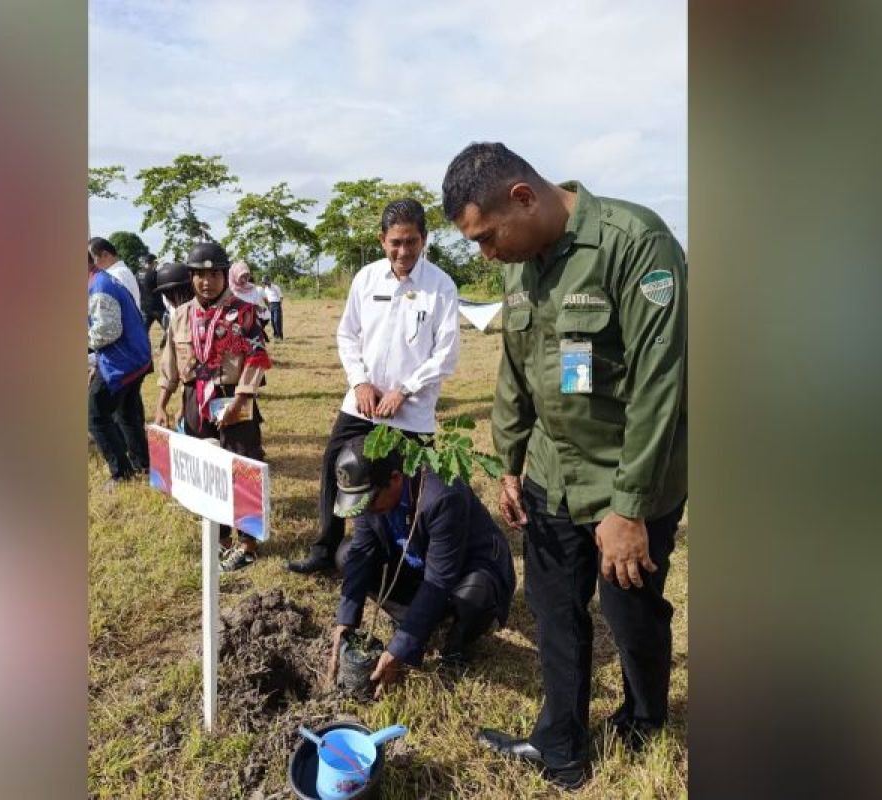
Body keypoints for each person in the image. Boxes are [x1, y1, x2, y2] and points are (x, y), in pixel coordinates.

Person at [441, 142, 687, 791]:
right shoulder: (518, 267)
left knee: (629, 612)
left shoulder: (635, 243)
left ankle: (643, 717)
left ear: (524, 197)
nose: (486, 255)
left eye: (488, 237)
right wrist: (510, 463)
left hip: (627, 476)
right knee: (554, 611)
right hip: (552, 469)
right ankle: (562, 747)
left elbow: (663, 384)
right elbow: (515, 371)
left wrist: (628, 508)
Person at [287, 199, 460, 574]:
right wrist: (360, 382)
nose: (403, 251)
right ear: (382, 240)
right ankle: (324, 547)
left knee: (413, 485)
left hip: (410, 411)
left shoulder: (441, 286)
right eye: (395, 242)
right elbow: (347, 334)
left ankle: (413, 557)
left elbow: (445, 355)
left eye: (411, 242)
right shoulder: (366, 279)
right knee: (336, 463)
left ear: (424, 240)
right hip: (361, 403)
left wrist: (404, 391)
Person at [324, 438, 516, 693]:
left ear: (395, 478)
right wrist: (345, 621)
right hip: (417, 563)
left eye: (370, 501)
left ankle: (455, 644)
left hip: (466, 569)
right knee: (347, 556)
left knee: (475, 595)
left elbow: (439, 580)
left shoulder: (443, 496)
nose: (366, 510)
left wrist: (400, 649)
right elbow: (361, 553)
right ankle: (422, 620)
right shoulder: (369, 495)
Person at [153, 242, 272, 572]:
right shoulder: (180, 316)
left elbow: (257, 358)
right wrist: (163, 403)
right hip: (194, 400)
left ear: (225, 275)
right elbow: (170, 363)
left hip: (235, 397)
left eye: (215, 274)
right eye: (200, 275)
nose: (207, 282)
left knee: (243, 467)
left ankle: (247, 544)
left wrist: (242, 399)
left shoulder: (243, 313)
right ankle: (219, 539)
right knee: (207, 472)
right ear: (191, 278)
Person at [88, 250, 152, 487]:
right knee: (127, 413)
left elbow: (107, 331)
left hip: (121, 362)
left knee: (96, 416)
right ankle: (142, 462)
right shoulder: (102, 280)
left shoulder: (99, 287)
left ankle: (121, 473)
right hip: (135, 358)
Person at [89, 237, 141, 309]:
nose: (92, 264)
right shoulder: (121, 272)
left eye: (92, 259)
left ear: (105, 254)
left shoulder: (115, 275)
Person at [229, 260, 271, 331]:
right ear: (235, 275)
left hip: (251, 324)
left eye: (246, 277)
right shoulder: (229, 290)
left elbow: (255, 304)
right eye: (241, 276)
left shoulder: (251, 288)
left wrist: (259, 308)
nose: (244, 280)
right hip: (234, 325)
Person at [136, 254, 166, 337]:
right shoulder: (154, 274)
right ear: (153, 262)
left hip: (144, 307)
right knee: (170, 329)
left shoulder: (138, 274)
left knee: (143, 333)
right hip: (157, 306)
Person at [260, 275, 285, 339]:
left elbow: (281, 297)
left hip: (276, 304)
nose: (264, 283)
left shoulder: (276, 287)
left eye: (265, 282)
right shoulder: (265, 289)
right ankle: (275, 335)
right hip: (270, 305)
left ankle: (280, 335)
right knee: (273, 321)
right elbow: (265, 298)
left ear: (269, 281)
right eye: (263, 282)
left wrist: (279, 305)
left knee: (277, 321)